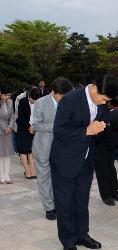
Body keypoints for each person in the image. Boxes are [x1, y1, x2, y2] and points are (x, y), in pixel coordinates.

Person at [50, 74, 118, 250]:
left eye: (107, 100)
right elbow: (59, 130)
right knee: (65, 203)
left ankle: (82, 234)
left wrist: (100, 129)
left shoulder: (102, 105)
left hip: (86, 160)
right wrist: (86, 131)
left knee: (81, 200)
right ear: (95, 88)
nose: (104, 102)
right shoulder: (71, 99)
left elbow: (101, 127)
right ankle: (68, 240)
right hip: (65, 160)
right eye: (103, 98)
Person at [32, 77, 73, 221]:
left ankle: (61, 204)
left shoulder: (69, 103)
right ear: (53, 92)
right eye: (61, 95)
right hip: (43, 147)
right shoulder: (40, 103)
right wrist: (57, 127)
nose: (63, 98)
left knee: (61, 178)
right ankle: (49, 208)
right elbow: (35, 125)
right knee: (44, 179)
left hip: (63, 148)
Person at [95, 107, 118, 206]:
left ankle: (114, 193)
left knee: (111, 169)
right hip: (99, 145)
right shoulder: (113, 116)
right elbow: (103, 132)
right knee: (102, 171)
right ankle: (106, 196)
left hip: (111, 146)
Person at [16, 87, 40, 179]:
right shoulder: (22, 101)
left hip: (34, 129)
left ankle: (33, 171)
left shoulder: (39, 101)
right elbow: (20, 117)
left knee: (32, 151)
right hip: (23, 128)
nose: (33, 102)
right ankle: (27, 171)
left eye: (35, 100)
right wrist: (29, 127)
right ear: (29, 96)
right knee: (23, 150)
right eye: (32, 100)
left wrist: (35, 127)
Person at [0, 85, 14, 184]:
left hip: (8, 131)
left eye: (9, 95)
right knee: (1, 155)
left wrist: (10, 127)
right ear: (1, 94)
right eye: (6, 95)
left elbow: (12, 115)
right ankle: (1, 176)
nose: (7, 97)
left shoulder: (10, 102)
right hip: (0, 131)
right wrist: (5, 128)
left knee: (7, 155)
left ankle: (7, 175)